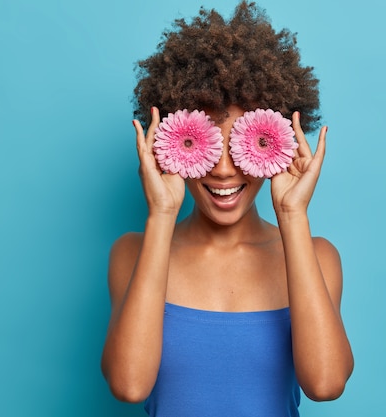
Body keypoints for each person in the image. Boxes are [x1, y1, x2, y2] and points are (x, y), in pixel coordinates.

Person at [101, 2, 353, 416]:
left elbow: (325, 385)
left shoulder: (318, 257)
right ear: (173, 140)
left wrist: (293, 215)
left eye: (241, 144)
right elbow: (129, 386)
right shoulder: (132, 253)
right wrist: (161, 214)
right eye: (208, 143)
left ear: (277, 144)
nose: (222, 170)